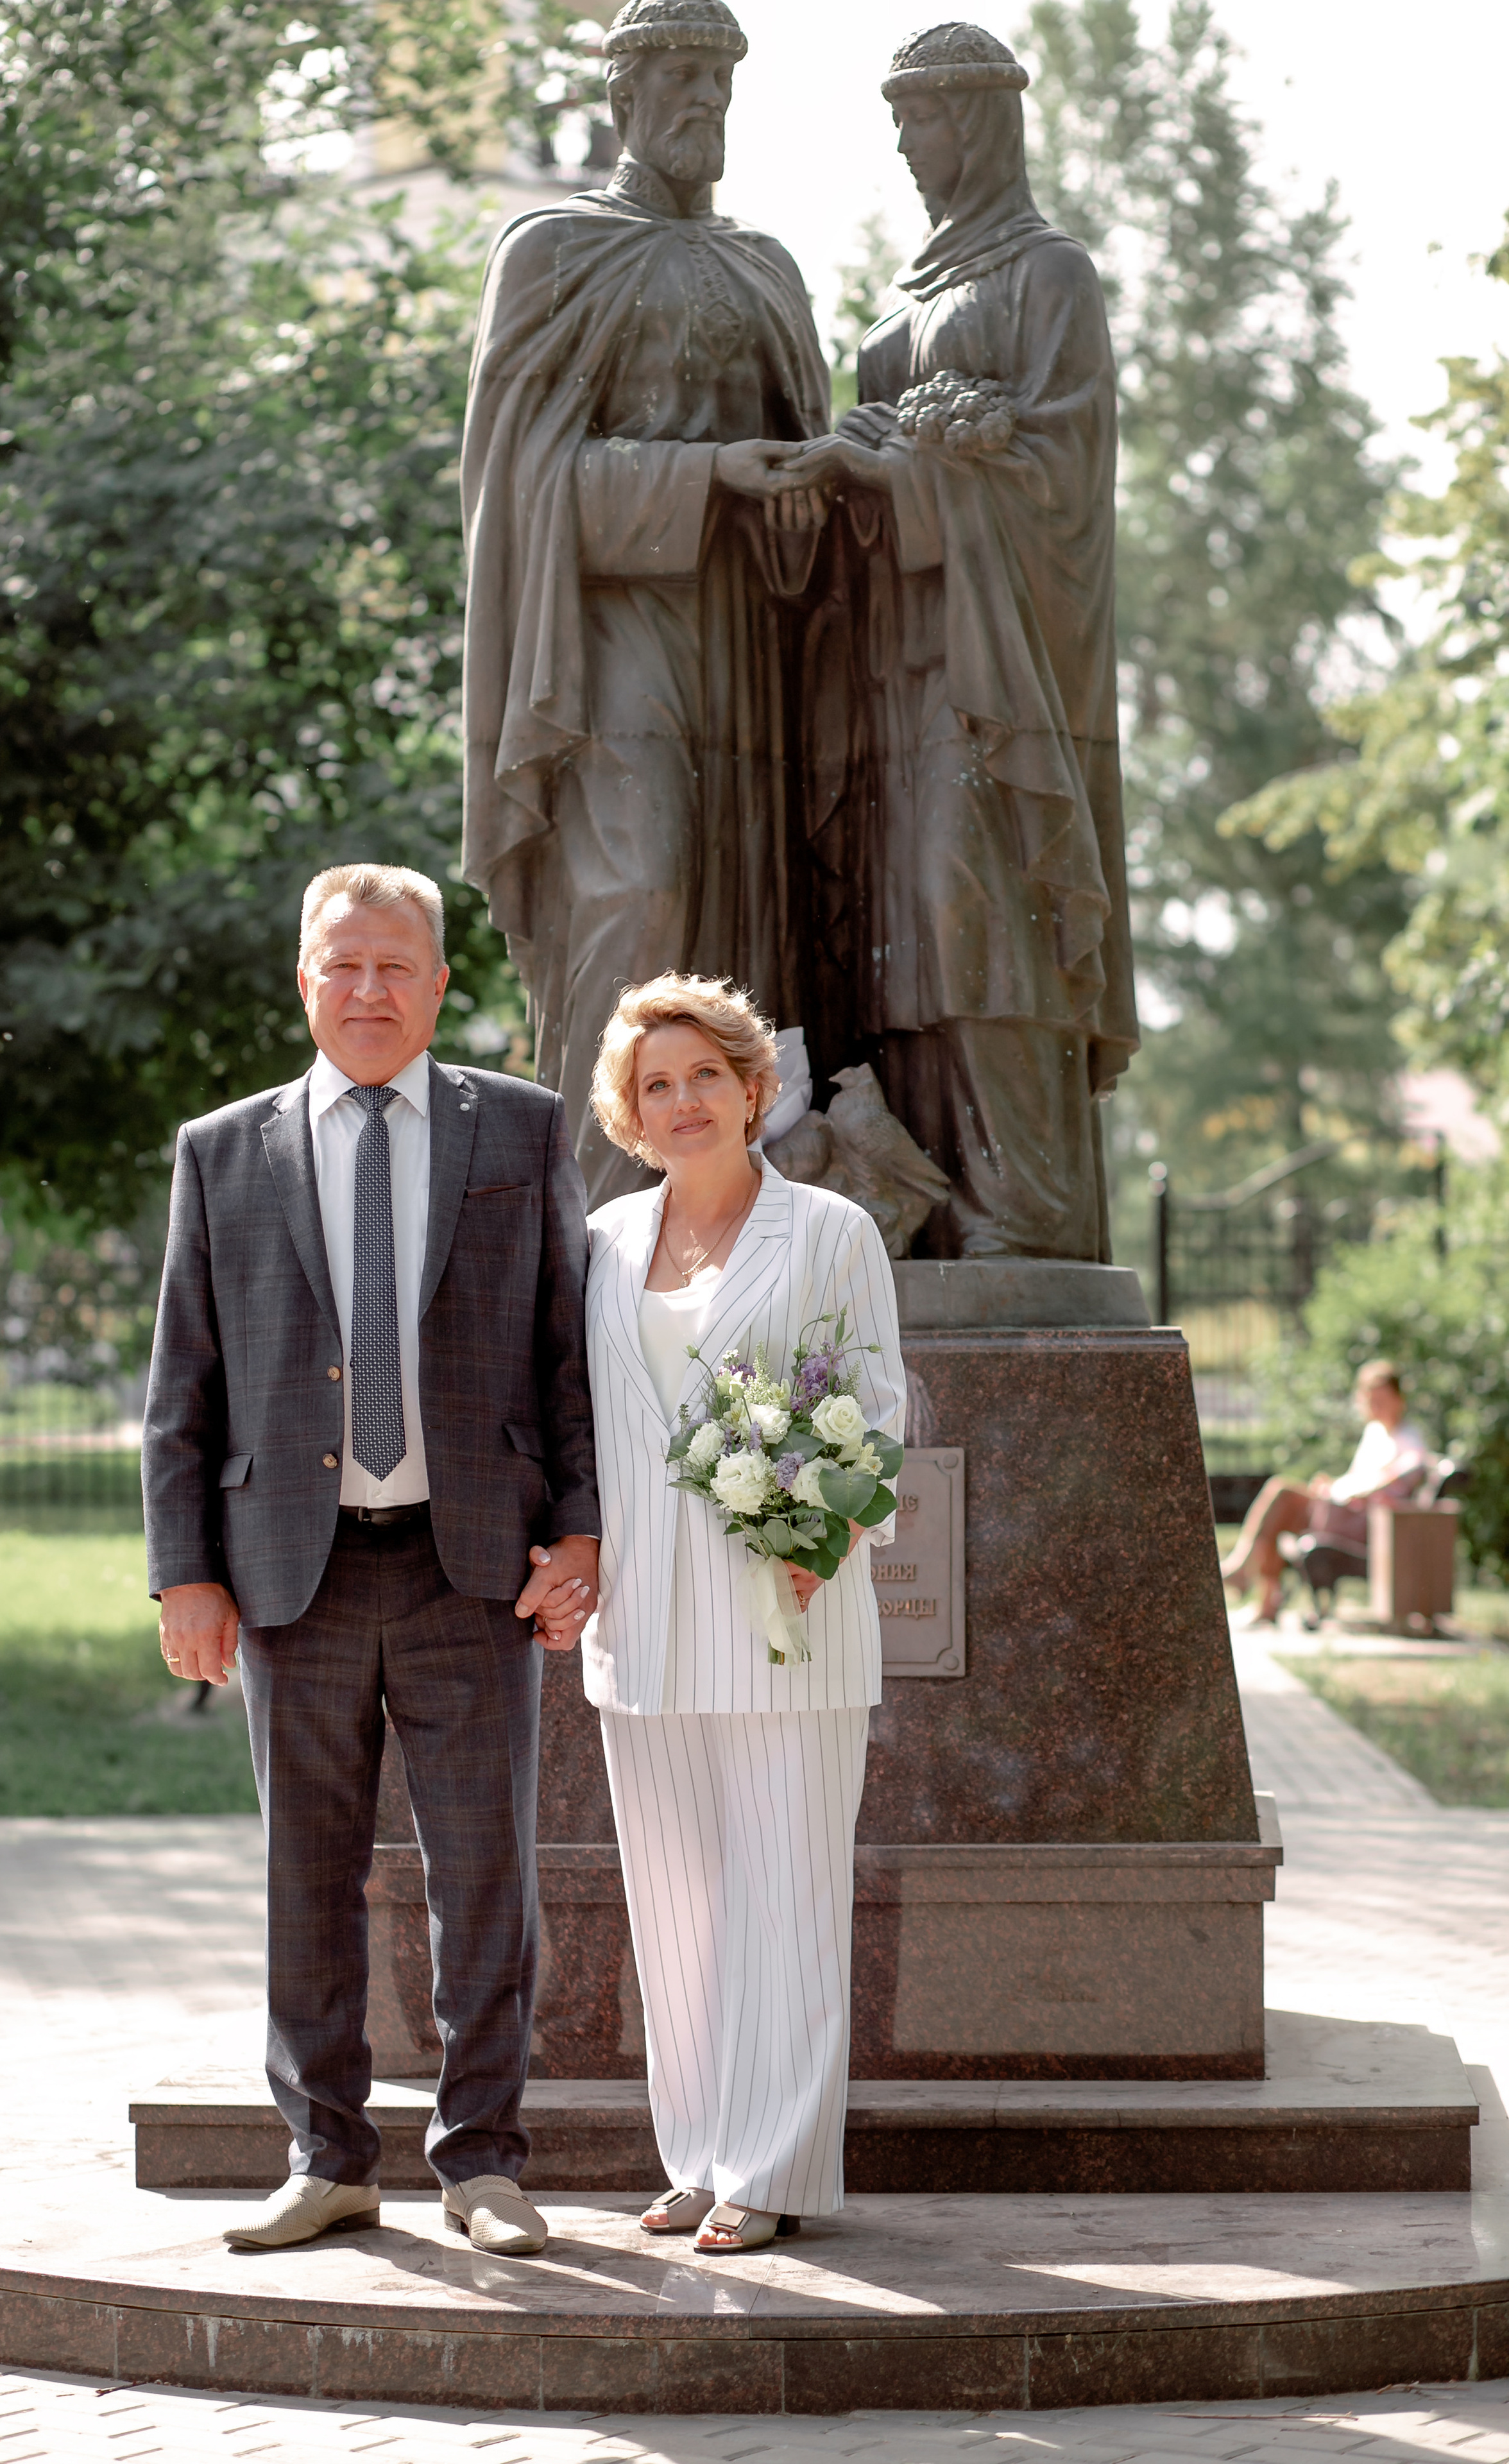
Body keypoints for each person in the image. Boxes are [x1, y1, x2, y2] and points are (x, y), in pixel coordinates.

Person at [142, 862, 600, 2256]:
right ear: (302, 979)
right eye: (341, 965)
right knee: (306, 1876)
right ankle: (325, 2156)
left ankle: (481, 2165)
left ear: (440, 983)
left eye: (395, 966)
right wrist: (185, 1571)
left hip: (474, 1570)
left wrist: (581, 1529)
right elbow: (183, 1385)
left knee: (485, 1878)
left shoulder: (518, 1133)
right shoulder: (224, 1152)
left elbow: (566, 1356)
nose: (368, 991)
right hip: (294, 1570)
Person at [459, 0, 833, 1209]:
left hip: (748, 636)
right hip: (608, 639)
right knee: (638, 894)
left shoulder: (764, 265)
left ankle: (739, 1240)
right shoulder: (555, 251)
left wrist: (805, 493)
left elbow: (806, 460)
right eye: (679, 75)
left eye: (720, 77)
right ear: (621, 95)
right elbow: (520, 486)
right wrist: (704, 474)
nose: (705, 99)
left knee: (748, 935)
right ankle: (598, 1234)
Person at [782, 20, 1138, 1260]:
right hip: (894, 661)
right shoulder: (912, 291)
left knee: (981, 906)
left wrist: (927, 472)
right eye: (896, 117)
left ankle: (1026, 1217)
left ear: (981, 119)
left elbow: (1064, 473)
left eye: (922, 114)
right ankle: (932, 1207)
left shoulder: (1049, 276)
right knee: (909, 940)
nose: (903, 141)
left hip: (999, 664)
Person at [574, 973, 904, 2252]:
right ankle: (698, 2152)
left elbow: (877, 1407)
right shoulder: (602, 1243)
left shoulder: (827, 1232)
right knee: (677, 1910)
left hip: (785, 1608)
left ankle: (771, 2168)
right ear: (629, 1111)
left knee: (786, 1897)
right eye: (654, 1084)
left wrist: (819, 1531)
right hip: (642, 1627)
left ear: (752, 1087)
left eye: (701, 1075)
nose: (680, 1100)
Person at [1220, 1361, 1429, 1623]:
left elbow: (1407, 1470)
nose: (1375, 1406)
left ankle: (1246, 1574)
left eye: (1382, 1400)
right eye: (1370, 1400)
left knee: (1284, 1493)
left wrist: (1351, 1489)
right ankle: (1260, 1597)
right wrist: (1335, 1485)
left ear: (1398, 1400)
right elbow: (1358, 1480)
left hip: (1364, 1524)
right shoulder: (1374, 1432)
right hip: (1341, 1511)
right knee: (1281, 1500)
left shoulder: (1408, 1438)